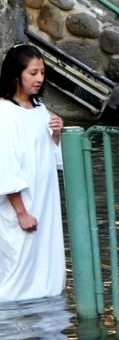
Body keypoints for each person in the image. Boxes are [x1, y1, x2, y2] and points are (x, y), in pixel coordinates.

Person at [0, 44, 65, 304]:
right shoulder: (4, 112)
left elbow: (50, 157)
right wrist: (21, 212)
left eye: (42, 73)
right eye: (33, 73)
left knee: (47, 266)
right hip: (22, 204)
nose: (40, 79)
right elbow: (5, 163)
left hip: (45, 200)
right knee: (18, 271)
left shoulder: (39, 108)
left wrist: (57, 134)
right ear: (17, 75)